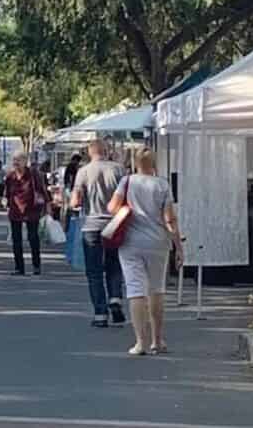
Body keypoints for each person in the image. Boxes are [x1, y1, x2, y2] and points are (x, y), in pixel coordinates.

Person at [108, 147, 183, 356]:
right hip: (158, 242)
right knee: (156, 289)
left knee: (135, 290)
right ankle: (157, 340)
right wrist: (178, 245)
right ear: (154, 162)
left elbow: (112, 207)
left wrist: (128, 210)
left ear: (135, 162)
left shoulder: (127, 181)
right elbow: (170, 219)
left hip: (131, 242)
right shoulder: (163, 184)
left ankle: (140, 342)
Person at [71, 140, 126, 327]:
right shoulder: (119, 170)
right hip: (114, 225)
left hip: (92, 225)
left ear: (89, 152)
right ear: (106, 151)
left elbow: (75, 202)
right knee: (114, 264)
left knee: (94, 271)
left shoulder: (83, 172)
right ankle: (116, 298)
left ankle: (100, 314)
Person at [3, 152, 48, 276]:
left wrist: (47, 207)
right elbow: (7, 193)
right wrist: (7, 205)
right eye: (14, 160)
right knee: (16, 240)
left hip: (31, 210)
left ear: (25, 161)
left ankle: (36, 265)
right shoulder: (10, 176)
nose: (16, 163)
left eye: (18, 160)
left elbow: (42, 191)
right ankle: (19, 267)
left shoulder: (33, 175)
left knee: (33, 237)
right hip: (15, 210)